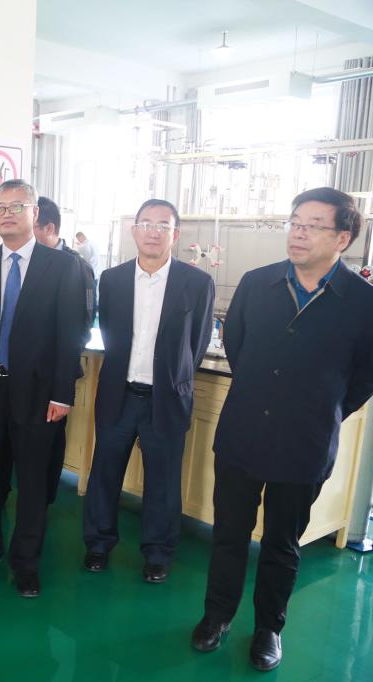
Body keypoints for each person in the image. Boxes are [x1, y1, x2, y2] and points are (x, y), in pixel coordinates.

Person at [192, 188, 373, 672]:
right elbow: (237, 345)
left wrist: (319, 410)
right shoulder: (257, 283)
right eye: (295, 222)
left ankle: (269, 627)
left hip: (304, 443)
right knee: (229, 533)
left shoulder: (362, 302)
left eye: (313, 225)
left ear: (343, 238)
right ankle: (217, 615)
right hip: (243, 433)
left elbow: (363, 377)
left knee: (282, 542)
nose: (298, 233)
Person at [0, 179, 84, 598]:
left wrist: (62, 393)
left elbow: (71, 335)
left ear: (34, 213)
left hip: (39, 396)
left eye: (15, 207)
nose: (6, 215)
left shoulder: (62, 267)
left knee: (32, 483)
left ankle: (26, 562)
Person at [82, 199, 214, 583]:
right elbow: (110, 332)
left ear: (176, 234)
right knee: (105, 473)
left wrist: (171, 376)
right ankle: (98, 543)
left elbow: (197, 343)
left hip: (167, 397)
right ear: (134, 230)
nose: (153, 232)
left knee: (163, 482)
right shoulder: (113, 279)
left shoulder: (197, 283)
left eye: (163, 225)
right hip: (119, 394)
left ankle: (158, 553)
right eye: (146, 224)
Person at [34, 197, 97, 504]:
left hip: (55, 371)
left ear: (49, 227)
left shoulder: (77, 266)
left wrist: (61, 359)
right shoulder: (25, 260)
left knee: (50, 437)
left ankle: (44, 498)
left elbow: (85, 321)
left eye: (30, 225)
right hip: (20, 370)